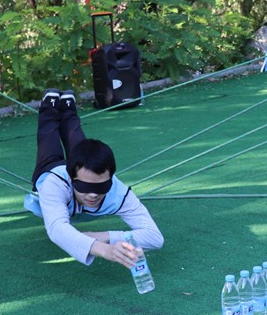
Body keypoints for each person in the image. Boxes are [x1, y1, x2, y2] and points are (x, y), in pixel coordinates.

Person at [24, 89, 163, 271]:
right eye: (84, 186)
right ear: (71, 178)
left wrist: (104, 236)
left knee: (81, 144)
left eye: (101, 186)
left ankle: (68, 105)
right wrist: (105, 250)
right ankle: (49, 104)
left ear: (111, 177)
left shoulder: (118, 192)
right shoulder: (55, 183)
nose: (93, 195)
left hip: (79, 169)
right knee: (48, 137)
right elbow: (57, 229)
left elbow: (155, 238)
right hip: (50, 169)